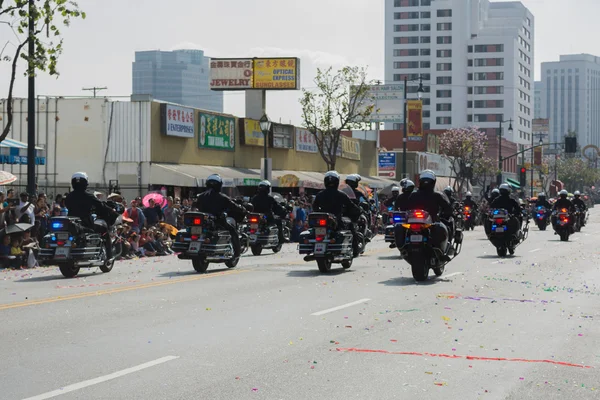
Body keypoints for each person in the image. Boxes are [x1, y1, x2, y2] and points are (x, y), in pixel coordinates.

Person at [402, 170, 454, 261]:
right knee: (446, 228)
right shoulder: (437, 195)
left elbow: (405, 208)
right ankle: (443, 251)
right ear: (433, 182)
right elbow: (447, 208)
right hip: (431, 222)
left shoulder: (413, 195)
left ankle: (442, 251)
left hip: (417, 223)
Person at [65, 172, 118, 261]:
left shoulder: (68, 196)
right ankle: (109, 255)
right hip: (86, 224)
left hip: (72, 223)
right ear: (85, 183)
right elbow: (101, 205)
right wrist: (112, 211)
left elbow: (67, 206)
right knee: (104, 230)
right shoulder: (88, 196)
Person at [193, 174, 246, 258]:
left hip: (203, 221)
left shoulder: (200, 196)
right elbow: (234, 206)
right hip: (218, 221)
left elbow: (195, 206)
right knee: (233, 231)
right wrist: (242, 209)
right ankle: (237, 253)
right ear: (219, 185)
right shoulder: (222, 197)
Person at [312, 171, 362, 255]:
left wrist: (319, 212)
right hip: (337, 220)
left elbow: (314, 207)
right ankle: (355, 250)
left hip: (322, 219)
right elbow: (351, 205)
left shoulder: (320, 194)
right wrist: (358, 210)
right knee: (350, 225)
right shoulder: (341, 194)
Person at [250, 180, 287, 245]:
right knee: (278, 221)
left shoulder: (254, 198)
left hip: (256, 217)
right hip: (265, 216)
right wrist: (283, 211)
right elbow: (277, 207)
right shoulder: (269, 198)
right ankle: (281, 238)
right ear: (267, 188)